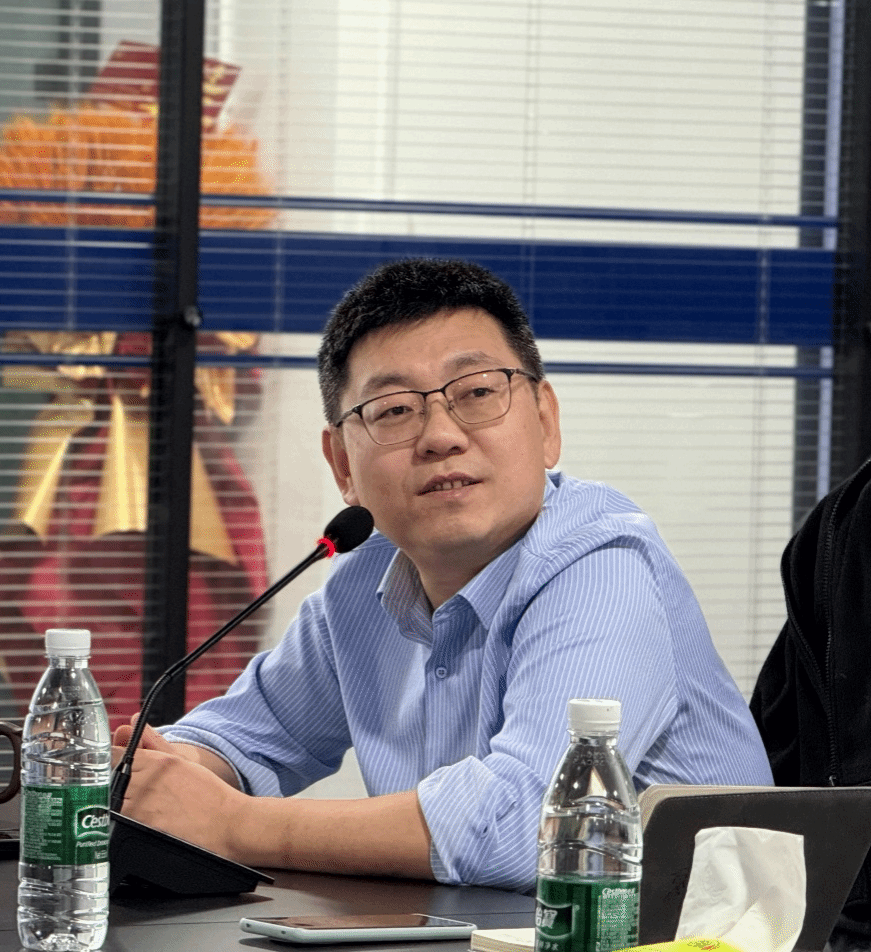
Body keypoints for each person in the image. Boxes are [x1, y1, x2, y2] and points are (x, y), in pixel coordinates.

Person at [113, 257, 772, 891]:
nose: (441, 436)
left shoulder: (601, 566)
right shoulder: (364, 584)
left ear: (546, 423)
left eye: (478, 393)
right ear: (342, 463)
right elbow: (248, 736)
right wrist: (168, 773)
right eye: (395, 410)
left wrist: (235, 825)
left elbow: (531, 824)